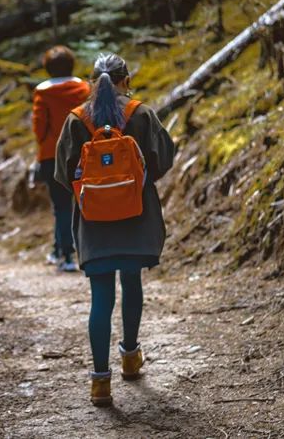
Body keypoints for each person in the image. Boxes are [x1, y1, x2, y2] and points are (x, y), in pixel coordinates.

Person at [54, 53, 175, 407]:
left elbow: (63, 174)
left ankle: (99, 382)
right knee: (132, 281)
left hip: (94, 221)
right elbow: (163, 158)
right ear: (127, 79)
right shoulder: (140, 113)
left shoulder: (77, 119)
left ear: (92, 83)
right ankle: (130, 356)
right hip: (137, 215)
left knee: (101, 298)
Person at [31, 45, 90, 272]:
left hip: (52, 155)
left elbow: (39, 128)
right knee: (81, 203)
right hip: (82, 153)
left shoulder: (42, 93)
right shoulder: (84, 89)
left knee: (61, 206)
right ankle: (67, 249)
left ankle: (65, 254)